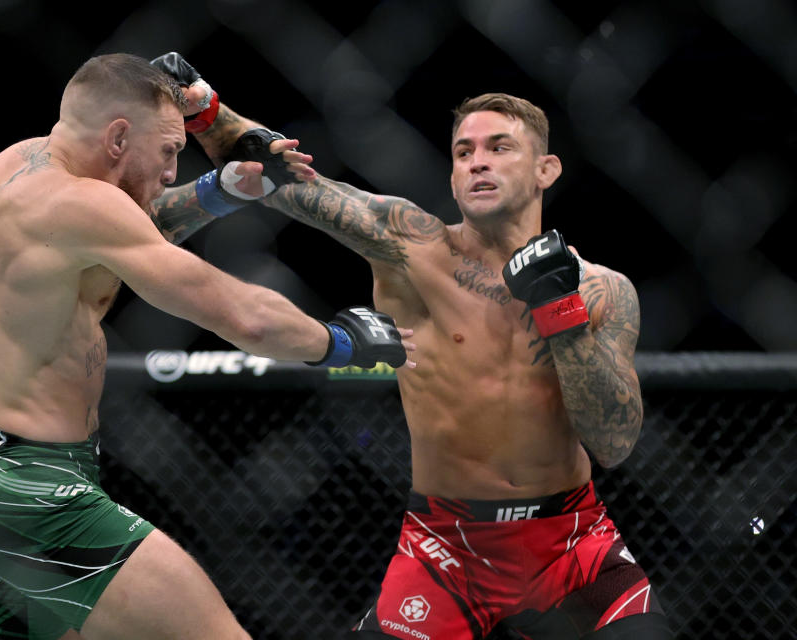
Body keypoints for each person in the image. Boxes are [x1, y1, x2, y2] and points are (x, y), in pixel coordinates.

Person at [149, 53, 672, 639]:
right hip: (445, 547)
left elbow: (615, 443)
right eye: (464, 152)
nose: (478, 162)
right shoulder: (411, 246)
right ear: (451, 175)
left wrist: (561, 311)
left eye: (500, 147)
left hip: (572, 544)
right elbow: (286, 184)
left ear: (546, 170)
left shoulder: (603, 290)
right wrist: (203, 109)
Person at [0, 52, 413, 640]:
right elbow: (244, 316)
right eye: (168, 151)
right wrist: (343, 342)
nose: (172, 171)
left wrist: (225, 188)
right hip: (44, 498)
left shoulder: (18, 164)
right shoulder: (80, 205)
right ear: (118, 137)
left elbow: (127, 231)